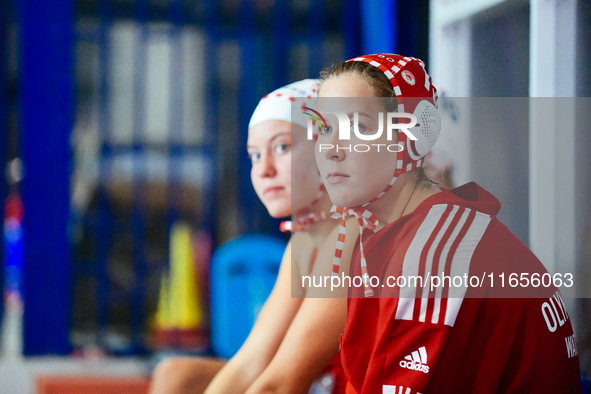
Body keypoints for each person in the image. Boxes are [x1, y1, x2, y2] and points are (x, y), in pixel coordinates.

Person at [314, 54, 582, 393]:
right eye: (324, 127)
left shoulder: (431, 255)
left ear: (410, 138)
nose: (331, 149)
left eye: (359, 127)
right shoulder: (385, 233)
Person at [150, 79, 357, 394]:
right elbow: (252, 360)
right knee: (175, 375)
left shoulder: (353, 239)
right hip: (321, 383)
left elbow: (279, 384)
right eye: (255, 156)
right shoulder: (303, 242)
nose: (264, 170)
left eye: (282, 147)